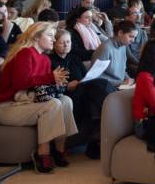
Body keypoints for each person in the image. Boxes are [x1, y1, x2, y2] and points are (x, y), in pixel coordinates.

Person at [0, 22, 77, 173]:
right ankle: (43, 153)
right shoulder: (25, 53)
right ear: (37, 37)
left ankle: (59, 150)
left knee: (66, 100)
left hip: (26, 102)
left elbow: (40, 89)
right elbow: (20, 82)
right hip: (7, 107)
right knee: (53, 104)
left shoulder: (45, 59)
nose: (53, 39)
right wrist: (50, 77)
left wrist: (56, 84)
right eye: (50, 36)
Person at [49, 29, 115, 159]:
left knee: (99, 84)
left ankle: (97, 138)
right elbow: (50, 84)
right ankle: (111, 115)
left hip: (82, 91)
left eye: (68, 42)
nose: (66, 45)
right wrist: (67, 86)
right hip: (66, 94)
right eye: (62, 43)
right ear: (54, 44)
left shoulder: (75, 58)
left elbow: (85, 77)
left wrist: (82, 81)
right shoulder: (50, 61)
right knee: (99, 87)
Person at [92, 21, 138, 89]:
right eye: (131, 36)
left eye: (134, 37)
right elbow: (96, 76)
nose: (133, 40)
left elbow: (121, 70)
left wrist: (128, 78)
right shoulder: (106, 48)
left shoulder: (123, 46)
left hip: (120, 85)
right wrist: (121, 82)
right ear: (120, 33)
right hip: (107, 87)